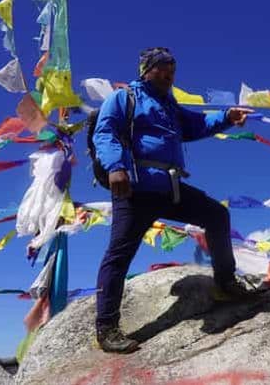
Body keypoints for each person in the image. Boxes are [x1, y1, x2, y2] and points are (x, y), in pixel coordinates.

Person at [92, 47, 254, 353]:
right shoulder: (125, 98)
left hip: (170, 189)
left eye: (172, 69)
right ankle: (107, 328)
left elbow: (196, 124)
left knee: (217, 216)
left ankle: (225, 283)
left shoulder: (170, 106)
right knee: (119, 255)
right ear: (146, 70)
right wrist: (116, 167)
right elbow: (106, 132)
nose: (169, 74)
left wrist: (227, 117)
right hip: (136, 189)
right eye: (162, 68)